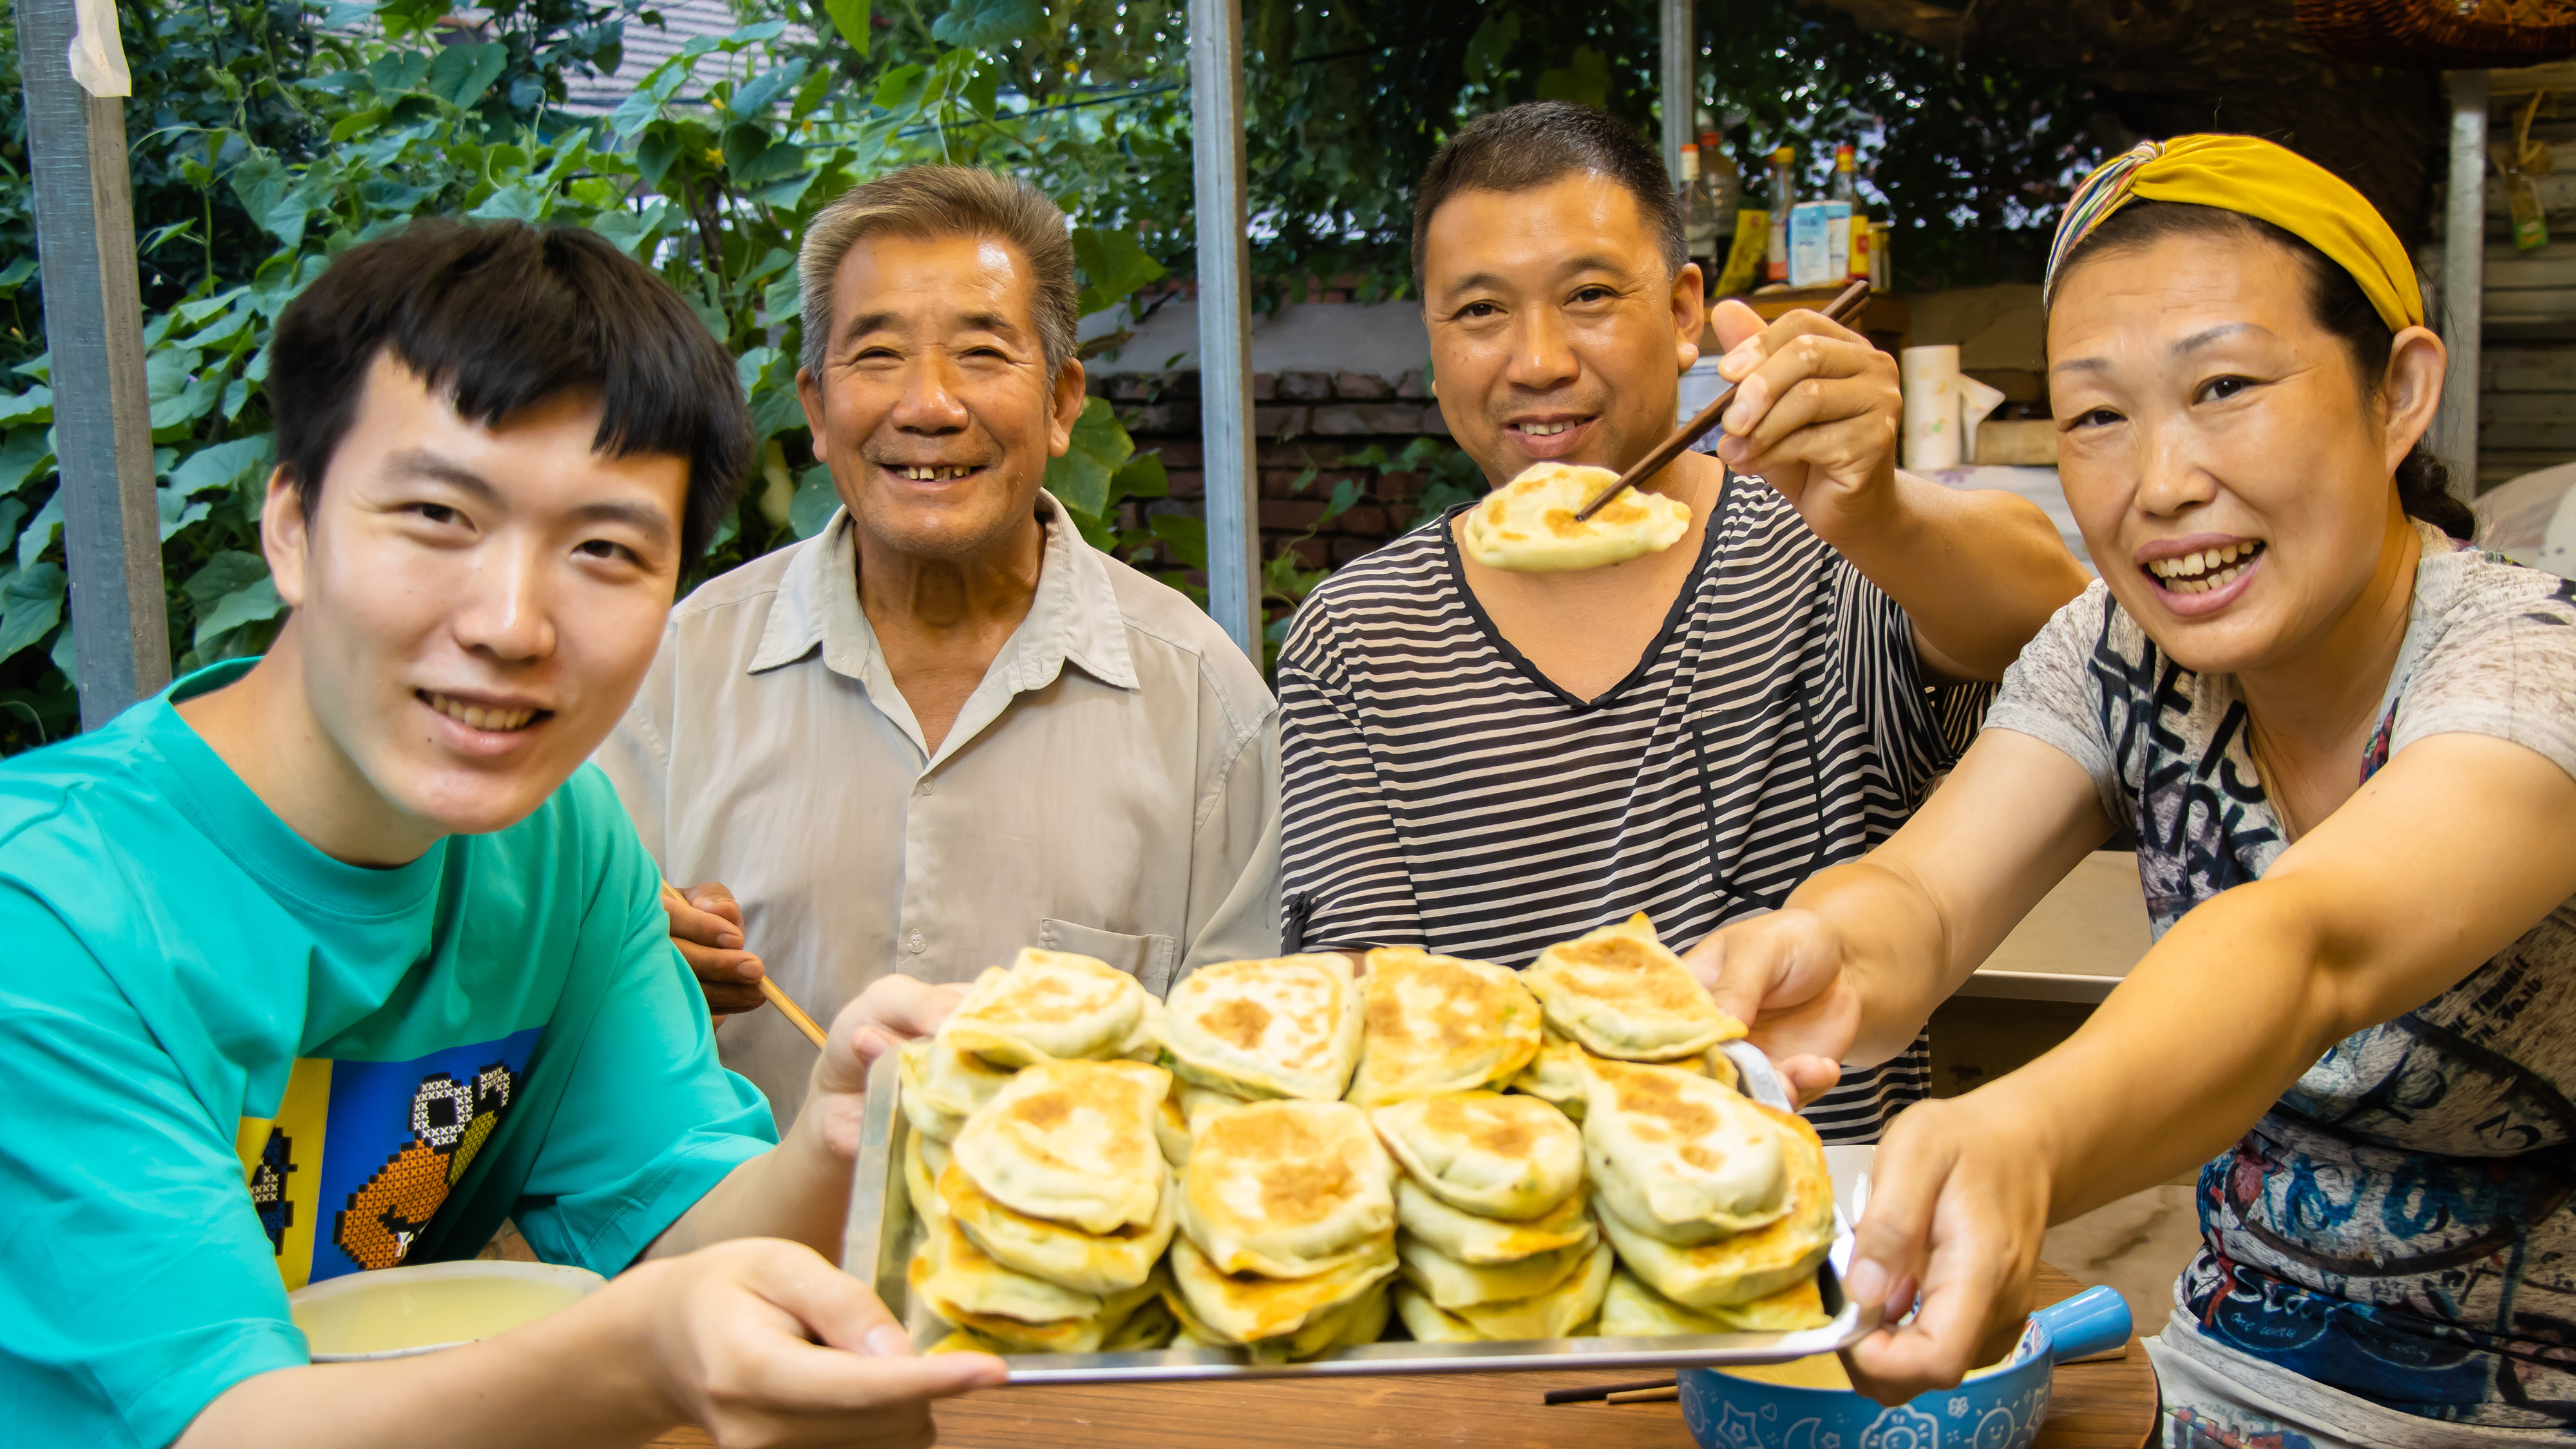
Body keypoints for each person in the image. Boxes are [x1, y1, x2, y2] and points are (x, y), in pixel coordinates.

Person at [0, 221, 1004, 1449]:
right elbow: (225, 1424)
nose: (514, 623)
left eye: (604, 548)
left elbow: (677, 1227)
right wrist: (641, 1355)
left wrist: (847, 1125)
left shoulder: (564, 839)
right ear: (290, 526)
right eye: (436, 515)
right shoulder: (46, 909)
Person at [1700, 136, 2576, 1444]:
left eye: (2223, 386)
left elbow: (2303, 945)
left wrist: (2027, 1135)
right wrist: (1817, 952)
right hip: (2210, 1392)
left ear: (2396, 393)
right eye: (2098, 415)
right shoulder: (2111, 648)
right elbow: (1920, 901)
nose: (2161, 486)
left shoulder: (2532, 660)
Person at [1277, 101, 2090, 1142]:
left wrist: (1875, 508)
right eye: (1480, 311)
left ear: (1682, 310)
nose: (1537, 361)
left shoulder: (1827, 546)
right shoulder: (1359, 633)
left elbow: (2059, 629)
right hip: (1508, 1245)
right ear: (1431, 347)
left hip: (1818, 1239)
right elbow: (1359, 1002)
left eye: (1589, 295)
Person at [598, 166, 1279, 1122]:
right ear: (816, 409)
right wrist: (621, 969)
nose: (929, 404)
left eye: (982, 353)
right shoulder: (673, 673)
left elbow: (1244, 1077)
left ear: (1061, 401)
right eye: (877, 355)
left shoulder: (1208, 708)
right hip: (741, 1258)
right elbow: (556, 1009)